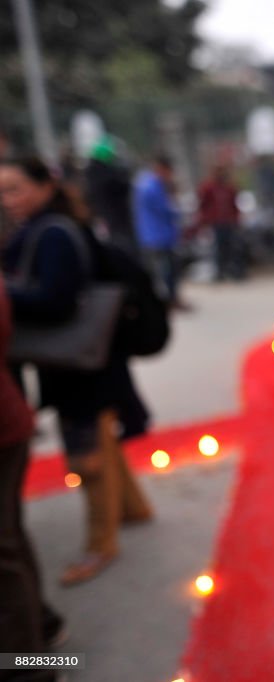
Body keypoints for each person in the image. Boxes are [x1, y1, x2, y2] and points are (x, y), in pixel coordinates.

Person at [1, 157, 154, 587]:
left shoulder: (53, 234)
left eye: (15, 189)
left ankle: (99, 545)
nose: (7, 200)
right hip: (89, 361)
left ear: (45, 187)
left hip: (81, 366)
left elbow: (57, 302)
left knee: (86, 457)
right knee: (101, 437)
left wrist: (6, 291)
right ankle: (134, 508)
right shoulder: (45, 229)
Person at [0, 278, 66, 681]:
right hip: (9, 421)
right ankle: (39, 627)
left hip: (3, 428)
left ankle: (28, 666)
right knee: (9, 539)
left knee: (4, 548)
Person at [134, 154, 187, 309]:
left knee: (166, 270)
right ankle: (167, 300)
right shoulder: (152, 186)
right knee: (165, 271)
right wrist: (177, 210)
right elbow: (165, 210)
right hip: (158, 236)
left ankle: (167, 299)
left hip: (158, 235)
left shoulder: (147, 183)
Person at [83, 135, 138, 255]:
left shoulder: (91, 176)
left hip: (109, 223)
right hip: (119, 225)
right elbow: (125, 187)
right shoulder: (109, 176)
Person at [197, 162, 246, 281]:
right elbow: (203, 205)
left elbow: (234, 204)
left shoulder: (229, 187)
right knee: (218, 249)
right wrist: (204, 220)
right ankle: (220, 273)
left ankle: (235, 272)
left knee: (233, 248)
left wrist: (237, 219)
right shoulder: (208, 187)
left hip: (229, 222)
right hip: (216, 223)